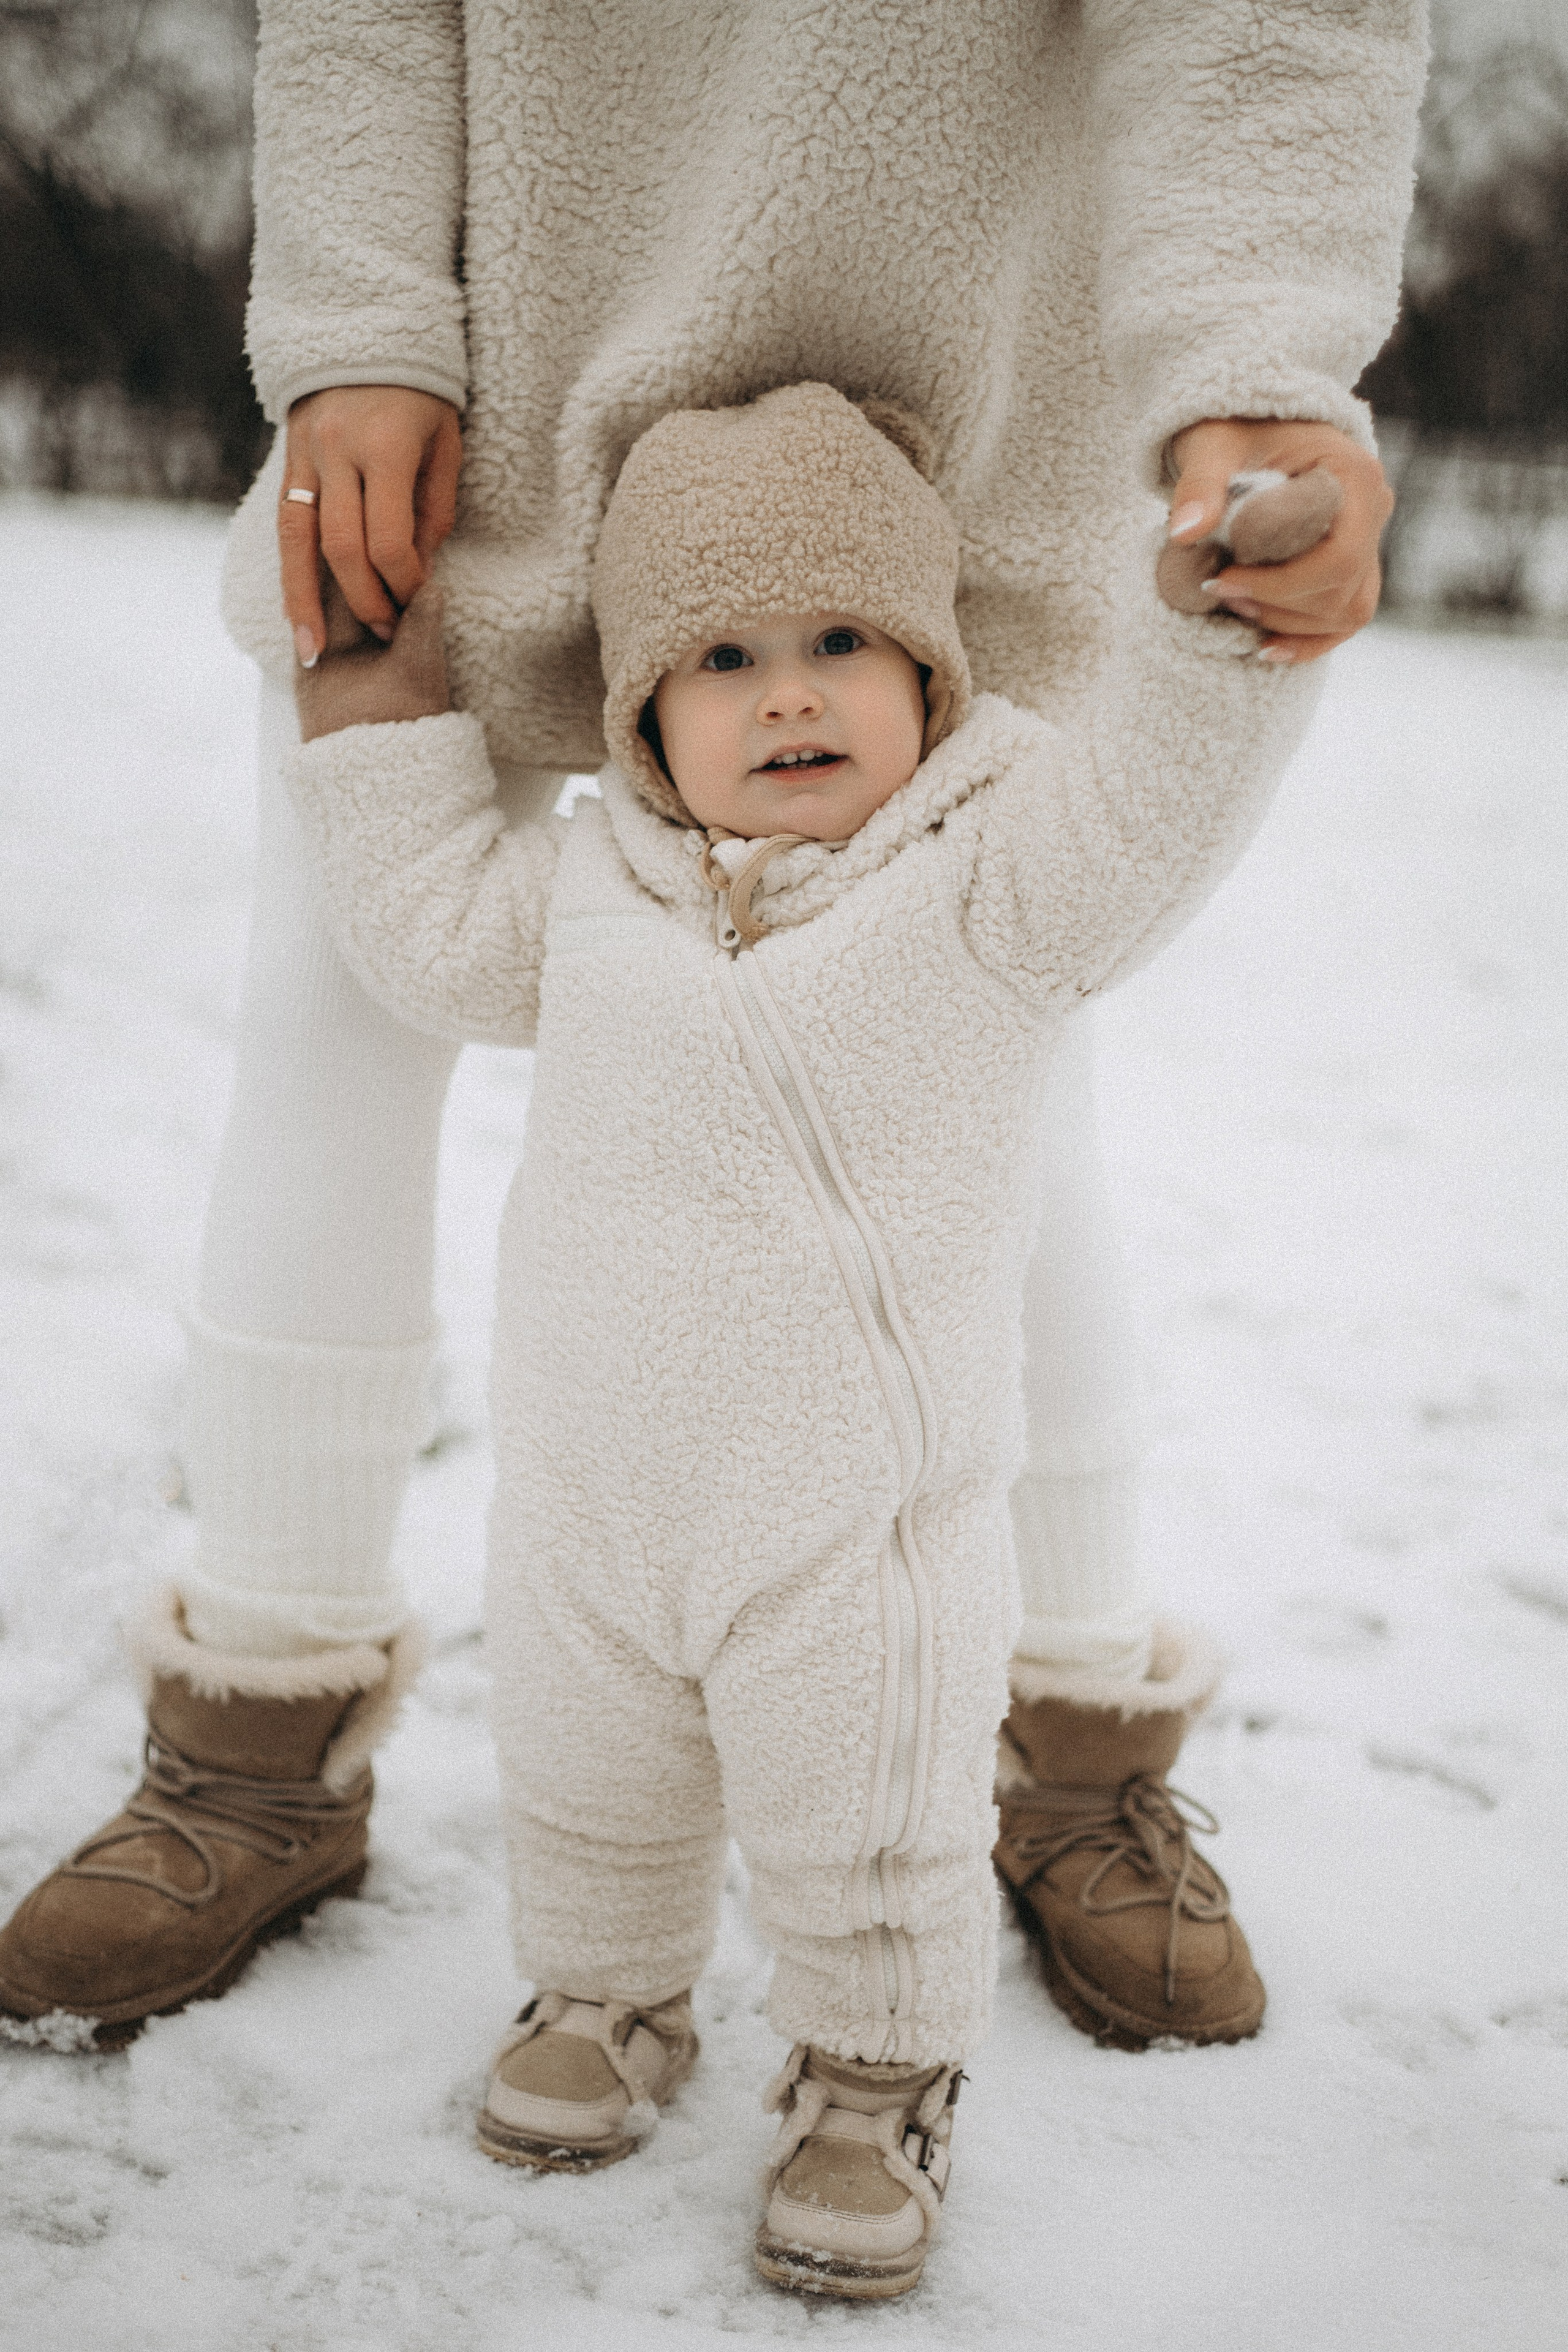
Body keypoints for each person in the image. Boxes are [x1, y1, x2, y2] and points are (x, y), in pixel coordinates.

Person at [0, 1, 1427, 2051]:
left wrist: (1260, 370)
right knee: (325, 1014)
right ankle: (259, 1727)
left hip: (961, 405)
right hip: (487, 399)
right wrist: (357, 325)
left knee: (1021, 1099)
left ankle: (1074, 1736)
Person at [280, 381, 1323, 2297]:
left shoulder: (993, 884)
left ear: (928, 676)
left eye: (845, 642)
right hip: (594, 1495)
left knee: (871, 1813)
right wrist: (372, 707)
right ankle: (608, 1994)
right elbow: (428, 924)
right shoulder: (594, 891)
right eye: (727, 656)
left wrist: (1219, 635)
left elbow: (1158, 811)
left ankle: (871, 2074)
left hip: (860, 1530)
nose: (790, 694)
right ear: (639, 713)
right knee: (587, 1778)